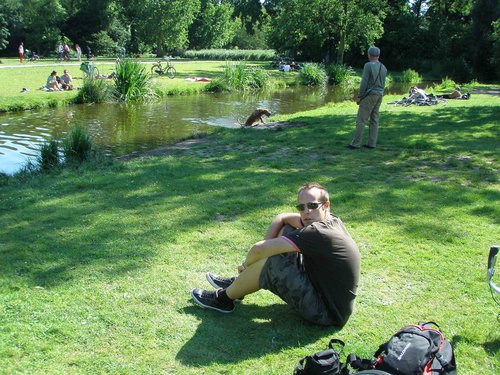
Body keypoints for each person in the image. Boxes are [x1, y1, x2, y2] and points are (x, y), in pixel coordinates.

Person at [191, 183, 361, 327]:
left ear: (326, 205)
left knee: (272, 261)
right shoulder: (330, 220)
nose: (306, 211)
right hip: (322, 292)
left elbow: (258, 249)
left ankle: (223, 299)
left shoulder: (317, 232)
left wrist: (245, 266)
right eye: (301, 207)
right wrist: (263, 254)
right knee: (286, 232)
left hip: (327, 313)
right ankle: (240, 285)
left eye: (313, 205)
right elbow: (283, 218)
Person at [348, 46, 387, 149]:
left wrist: (360, 96)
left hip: (370, 95)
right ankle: (372, 143)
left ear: (369, 54)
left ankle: (355, 143)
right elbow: (383, 83)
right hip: (379, 95)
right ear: (378, 55)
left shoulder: (368, 65)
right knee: (374, 120)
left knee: (361, 120)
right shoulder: (383, 67)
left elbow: (364, 82)